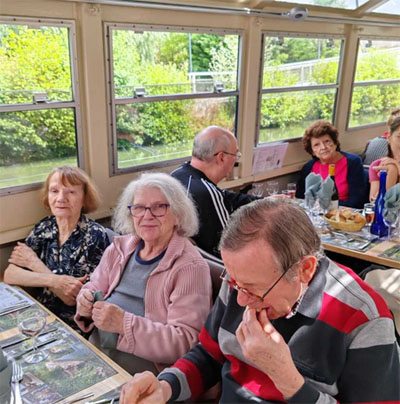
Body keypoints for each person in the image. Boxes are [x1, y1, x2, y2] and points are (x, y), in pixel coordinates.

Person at [120, 199, 400, 403]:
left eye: (254, 289)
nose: (241, 298)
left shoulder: (365, 320)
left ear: (305, 269)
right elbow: (208, 355)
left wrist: (287, 378)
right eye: (234, 283)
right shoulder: (240, 281)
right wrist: (165, 387)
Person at [75, 173, 212, 375]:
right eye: (139, 207)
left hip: (143, 374)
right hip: (95, 354)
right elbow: (94, 286)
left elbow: (185, 341)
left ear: (178, 215)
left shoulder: (189, 267)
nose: (147, 215)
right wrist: (85, 300)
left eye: (159, 207)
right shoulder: (119, 249)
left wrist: (124, 324)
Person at [4, 166, 110, 329]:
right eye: (54, 191)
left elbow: (71, 298)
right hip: (38, 316)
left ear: (84, 198)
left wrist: (34, 263)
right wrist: (56, 280)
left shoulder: (94, 236)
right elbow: (10, 274)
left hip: (72, 326)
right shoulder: (45, 227)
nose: (61, 198)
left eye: (71, 192)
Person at [171, 125, 259, 257]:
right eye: (236, 154)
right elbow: (227, 246)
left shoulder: (178, 174)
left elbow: (226, 197)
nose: (236, 159)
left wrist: (268, 202)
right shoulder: (206, 193)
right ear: (221, 157)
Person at [296, 120, 367, 208]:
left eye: (327, 141)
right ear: (312, 151)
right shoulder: (308, 168)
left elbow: (357, 201)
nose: (323, 147)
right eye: (316, 145)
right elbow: (300, 198)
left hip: (343, 214)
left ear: (335, 143)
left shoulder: (353, 162)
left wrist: (327, 207)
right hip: (316, 214)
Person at [369, 116, 400, 200]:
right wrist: (392, 171)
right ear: (389, 138)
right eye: (399, 137)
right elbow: (374, 201)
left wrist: (397, 167)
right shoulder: (377, 165)